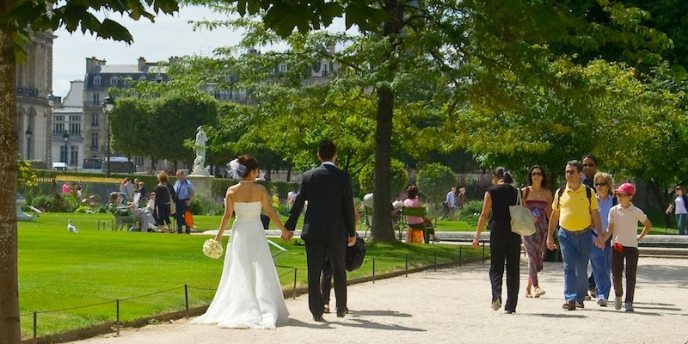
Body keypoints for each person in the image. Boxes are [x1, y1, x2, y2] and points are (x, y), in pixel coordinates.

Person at [193, 155, 292, 328]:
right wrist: (283, 229)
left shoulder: (231, 191)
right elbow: (269, 212)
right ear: (252, 172)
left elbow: (227, 216)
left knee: (239, 267)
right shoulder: (260, 190)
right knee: (261, 266)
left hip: (239, 231)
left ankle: (239, 305)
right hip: (255, 230)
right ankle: (264, 306)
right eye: (257, 170)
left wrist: (218, 236)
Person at [285, 139, 356, 322]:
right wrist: (351, 231)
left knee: (314, 270)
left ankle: (316, 310)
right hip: (336, 230)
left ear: (318, 155)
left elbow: (299, 203)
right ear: (335, 154)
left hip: (314, 230)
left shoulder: (309, 176)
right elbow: (348, 206)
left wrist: (290, 226)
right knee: (339, 268)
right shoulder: (343, 176)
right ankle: (341, 307)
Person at [546, 160, 602, 311]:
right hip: (565, 235)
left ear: (579, 174)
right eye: (567, 172)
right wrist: (549, 236)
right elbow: (555, 214)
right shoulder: (560, 192)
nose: (568, 175)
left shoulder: (589, 192)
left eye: (571, 172)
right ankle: (570, 299)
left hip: (584, 234)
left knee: (581, 268)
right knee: (568, 267)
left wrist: (600, 236)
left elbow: (595, 214)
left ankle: (580, 297)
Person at [472, 167, 520, 314]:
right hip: (514, 231)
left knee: (496, 267)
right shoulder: (517, 191)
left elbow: (484, 214)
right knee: (513, 268)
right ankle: (511, 305)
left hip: (498, 230)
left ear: (494, 176)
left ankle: (496, 296)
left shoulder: (491, 191)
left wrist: (477, 236)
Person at [597, 183, 652, 312]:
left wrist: (640, 237)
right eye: (617, 194)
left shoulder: (636, 211)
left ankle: (629, 301)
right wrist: (602, 240)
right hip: (617, 246)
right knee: (616, 274)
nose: (619, 197)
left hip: (631, 247)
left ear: (630, 196)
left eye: (622, 194)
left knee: (630, 275)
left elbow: (648, 224)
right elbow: (609, 230)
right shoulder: (614, 210)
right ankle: (618, 295)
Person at [521, 165, 553, 299]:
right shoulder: (524, 191)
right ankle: (536, 286)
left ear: (543, 176)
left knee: (537, 256)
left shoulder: (547, 193)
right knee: (532, 256)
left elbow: (551, 214)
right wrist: (529, 216)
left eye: (539, 173)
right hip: (527, 228)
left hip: (542, 228)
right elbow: (521, 210)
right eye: (533, 173)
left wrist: (552, 233)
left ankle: (528, 288)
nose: (536, 176)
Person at [590, 172, 616, 306]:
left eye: (602, 184)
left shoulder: (615, 200)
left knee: (608, 267)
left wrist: (605, 237)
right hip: (594, 238)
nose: (599, 186)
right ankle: (602, 294)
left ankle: (609, 292)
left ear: (608, 185)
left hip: (612, 238)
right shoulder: (591, 200)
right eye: (597, 184)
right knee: (598, 267)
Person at [173, 170, 194, 234]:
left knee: (187, 215)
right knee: (178, 216)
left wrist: (190, 201)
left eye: (178, 175)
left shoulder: (188, 183)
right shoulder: (177, 183)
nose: (177, 177)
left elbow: (192, 192)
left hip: (185, 201)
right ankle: (179, 228)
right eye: (177, 175)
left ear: (182, 175)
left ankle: (188, 229)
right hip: (178, 201)